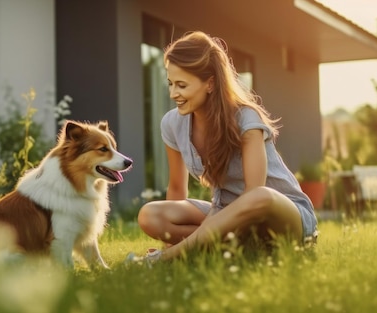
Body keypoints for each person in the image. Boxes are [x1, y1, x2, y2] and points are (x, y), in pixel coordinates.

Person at [133, 31, 318, 263]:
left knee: (260, 197)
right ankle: (231, 247)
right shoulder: (172, 124)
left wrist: (204, 227)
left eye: (181, 85)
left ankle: (167, 258)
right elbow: (177, 189)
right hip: (224, 211)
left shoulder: (246, 119)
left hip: (279, 214)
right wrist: (177, 236)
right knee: (151, 215)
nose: (173, 94)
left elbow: (253, 195)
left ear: (210, 83)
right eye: (170, 84)